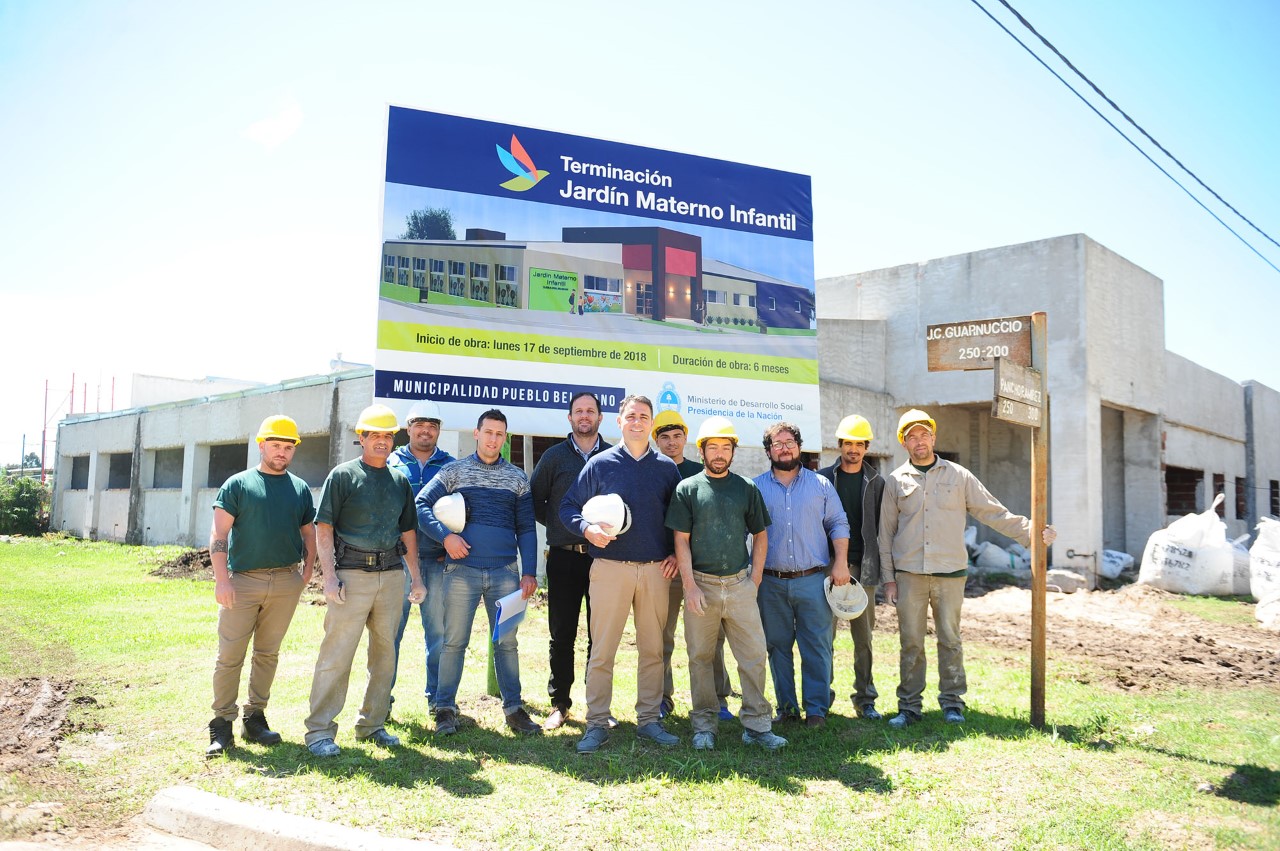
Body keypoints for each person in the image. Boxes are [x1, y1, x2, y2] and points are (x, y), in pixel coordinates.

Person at [880, 409, 1057, 728]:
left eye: (924, 435)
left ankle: (952, 703)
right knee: (911, 642)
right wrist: (889, 580)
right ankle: (908, 707)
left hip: (950, 574)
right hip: (909, 577)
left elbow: (992, 511)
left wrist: (1032, 531)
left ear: (933, 438)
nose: (919, 441)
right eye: (911, 436)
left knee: (950, 638)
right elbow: (885, 533)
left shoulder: (958, 477)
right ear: (903, 443)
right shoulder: (895, 482)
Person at [561, 394, 682, 754]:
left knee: (652, 649)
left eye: (644, 416)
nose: (637, 422)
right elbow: (568, 506)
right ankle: (596, 723)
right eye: (631, 416)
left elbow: (679, 519)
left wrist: (676, 552)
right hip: (610, 569)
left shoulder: (665, 468)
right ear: (619, 421)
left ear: (651, 422)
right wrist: (586, 529)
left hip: (655, 571)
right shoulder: (600, 464)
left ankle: (649, 720)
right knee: (602, 649)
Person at [304, 404, 426, 758]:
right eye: (374, 435)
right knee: (337, 655)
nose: (382, 442)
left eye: (388, 436)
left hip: (390, 577)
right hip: (351, 576)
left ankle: (372, 724)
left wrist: (415, 578)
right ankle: (319, 732)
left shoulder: (399, 481)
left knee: (385, 655)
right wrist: (329, 578)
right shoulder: (343, 476)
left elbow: (408, 533)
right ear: (361, 438)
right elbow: (323, 528)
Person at [417, 408, 541, 736]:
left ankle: (514, 710)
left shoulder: (517, 478)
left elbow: (527, 528)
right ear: (476, 433)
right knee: (453, 643)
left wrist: (529, 572)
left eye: (499, 434)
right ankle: (445, 708)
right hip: (460, 573)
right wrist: (446, 537)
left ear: (505, 437)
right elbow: (420, 505)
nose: (493, 439)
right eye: (488, 432)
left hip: (506, 575)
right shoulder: (454, 471)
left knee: (508, 642)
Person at [666, 417, 787, 751]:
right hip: (701, 586)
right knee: (700, 657)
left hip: (739, 585)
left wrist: (755, 581)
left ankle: (758, 726)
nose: (719, 454)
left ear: (733, 451)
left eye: (725, 448)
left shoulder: (746, 488)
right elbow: (681, 541)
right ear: (702, 450)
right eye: (713, 447)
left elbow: (761, 536)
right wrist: (689, 586)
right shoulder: (687, 488)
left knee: (752, 656)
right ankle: (704, 725)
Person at [206, 415, 316, 757]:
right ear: (261, 445)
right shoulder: (238, 485)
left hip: (286, 581)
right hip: (242, 582)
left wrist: (306, 573)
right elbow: (218, 535)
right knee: (230, 656)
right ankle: (222, 724)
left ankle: (255, 718)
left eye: (288, 447)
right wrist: (222, 580)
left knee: (268, 654)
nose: (282, 452)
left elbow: (309, 534)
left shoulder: (299, 489)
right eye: (276, 445)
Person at [753, 422, 850, 728]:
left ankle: (817, 710)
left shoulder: (821, 486)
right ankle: (787, 709)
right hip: (770, 582)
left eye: (789, 441)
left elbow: (838, 523)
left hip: (813, 580)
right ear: (769, 451)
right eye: (777, 443)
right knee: (777, 646)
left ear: (799, 445)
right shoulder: (755, 488)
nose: (784, 447)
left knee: (817, 646)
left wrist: (841, 562)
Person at [530, 392, 611, 730]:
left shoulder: (613, 456)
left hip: (605, 560)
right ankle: (559, 705)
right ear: (569, 418)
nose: (584, 416)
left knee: (600, 635)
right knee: (561, 634)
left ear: (600, 418)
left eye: (590, 411)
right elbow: (535, 501)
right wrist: (564, 528)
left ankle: (597, 708)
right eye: (578, 411)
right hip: (563, 559)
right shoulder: (553, 457)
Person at [652, 410, 734, 722]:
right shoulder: (651, 470)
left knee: (710, 638)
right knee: (662, 636)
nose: (671, 443)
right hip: (665, 569)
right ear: (655, 440)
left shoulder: (701, 473)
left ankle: (718, 699)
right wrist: (669, 555)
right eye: (664, 437)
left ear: (686, 439)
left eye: (677, 436)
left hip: (702, 570)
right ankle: (662, 698)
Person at [388, 400, 455, 714]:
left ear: (439, 430)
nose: (426, 430)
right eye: (419, 424)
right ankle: (380, 701)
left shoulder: (452, 466)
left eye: (432, 426)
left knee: (439, 634)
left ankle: (438, 701)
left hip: (438, 561)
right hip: (396, 562)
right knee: (390, 632)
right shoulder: (389, 461)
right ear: (408, 427)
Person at [817, 414, 885, 720]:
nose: (853, 449)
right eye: (848, 443)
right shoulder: (822, 479)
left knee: (864, 638)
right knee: (823, 636)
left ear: (867, 447)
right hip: (828, 569)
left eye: (859, 443)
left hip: (864, 569)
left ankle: (865, 699)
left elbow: (884, 528)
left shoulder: (877, 482)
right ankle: (822, 697)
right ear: (839, 445)